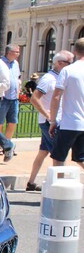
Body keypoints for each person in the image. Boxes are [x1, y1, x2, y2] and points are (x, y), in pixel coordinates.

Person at [27, 50, 74, 191]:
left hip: (51, 120)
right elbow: (34, 98)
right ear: (60, 63)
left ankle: (31, 182)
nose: (71, 65)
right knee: (58, 153)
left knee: (44, 151)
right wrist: (48, 115)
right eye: (69, 62)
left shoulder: (59, 77)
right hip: (51, 121)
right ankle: (57, 185)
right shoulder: (49, 79)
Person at [49, 37, 84, 169]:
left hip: (70, 123)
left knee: (58, 157)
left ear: (75, 51)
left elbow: (56, 97)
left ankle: (60, 186)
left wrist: (53, 121)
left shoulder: (68, 70)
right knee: (80, 157)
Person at [0, 44, 21, 155]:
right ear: (9, 52)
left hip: (14, 98)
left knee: (12, 122)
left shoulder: (16, 64)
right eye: (17, 52)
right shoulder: (0, 63)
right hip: (3, 98)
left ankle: (8, 144)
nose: (18, 54)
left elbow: (18, 78)